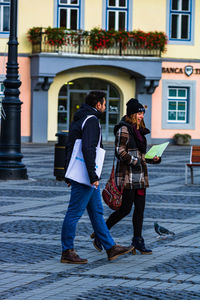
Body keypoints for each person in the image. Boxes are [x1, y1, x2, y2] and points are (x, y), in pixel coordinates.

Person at [61, 91, 133, 264]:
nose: (106, 106)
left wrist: (67, 173)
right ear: (98, 104)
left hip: (81, 173)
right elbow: (88, 148)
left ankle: (110, 247)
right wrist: (93, 175)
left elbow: (70, 146)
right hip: (85, 175)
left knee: (96, 212)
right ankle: (67, 251)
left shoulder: (80, 118)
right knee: (74, 212)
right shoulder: (91, 120)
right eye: (104, 103)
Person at [92, 98, 161, 255]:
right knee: (124, 209)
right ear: (131, 114)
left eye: (142, 113)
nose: (142, 116)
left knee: (140, 210)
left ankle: (138, 240)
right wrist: (135, 160)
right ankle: (100, 234)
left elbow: (142, 154)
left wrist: (153, 158)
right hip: (128, 177)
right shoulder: (124, 129)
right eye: (139, 113)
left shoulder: (139, 131)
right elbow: (119, 151)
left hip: (140, 177)